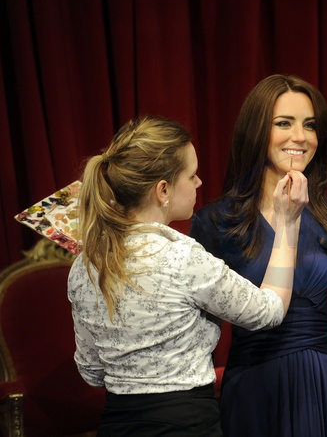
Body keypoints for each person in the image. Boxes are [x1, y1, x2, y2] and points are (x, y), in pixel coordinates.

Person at [190, 74, 327, 437]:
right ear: (256, 131)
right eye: (284, 123)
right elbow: (201, 340)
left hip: (325, 389)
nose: (300, 136)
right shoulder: (215, 223)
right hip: (253, 392)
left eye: (310, 125)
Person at [68, 115, 308, 437]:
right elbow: (269, 311)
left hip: (117, 425)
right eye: (192, 175)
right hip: (186, 424)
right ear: (163, 189)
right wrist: (288, 224)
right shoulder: (182, 258)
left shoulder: (84, 264)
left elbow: (92, 371)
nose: (199, 183)